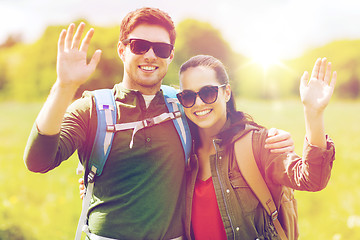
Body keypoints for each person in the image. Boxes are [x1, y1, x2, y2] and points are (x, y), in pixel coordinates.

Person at [24, 7, 294, 240]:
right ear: (122, 49)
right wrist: (64, 86)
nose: (150, 55)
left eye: (161, 49)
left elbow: (222, 122)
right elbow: (38, 161)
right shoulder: (92, 108)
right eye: (139, 46)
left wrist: (266, 134)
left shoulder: (183, 104)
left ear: (170, 55)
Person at [174, 55, 336, 239]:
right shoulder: (184, 154)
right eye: (187, 96)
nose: (198, 103)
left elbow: (312, 179)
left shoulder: (257, 143)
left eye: (208, 93)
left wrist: (313, 114)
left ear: (227, 92)